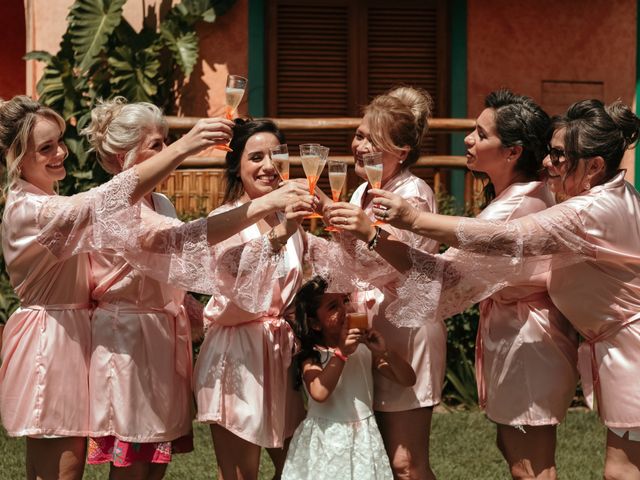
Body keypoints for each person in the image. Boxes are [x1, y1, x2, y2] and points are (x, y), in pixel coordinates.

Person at [0, 95, 311, 480]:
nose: (61, 152)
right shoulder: (37, 210)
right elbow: (178, 240)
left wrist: (193, 312)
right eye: (45, 147)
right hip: (74, 344)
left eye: (59, 142)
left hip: (122, 340)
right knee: (76, 469)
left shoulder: (123, 201)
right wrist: (262, 202)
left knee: (146, 468)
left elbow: (158, 270)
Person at [333, 99, 640, 479]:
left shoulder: (578, 209)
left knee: (561, 469)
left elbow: (488, 249)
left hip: (550, 343)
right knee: (522, 456)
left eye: (559, 156)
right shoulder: (598, 194)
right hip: (560, 341)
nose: (548, 164)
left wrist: (396, 225)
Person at [316, 86, 441, 479]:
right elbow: (351, 260)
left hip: (406, 327)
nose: (360, 145)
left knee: (407, 462)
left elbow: (401, 265)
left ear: (401, 150)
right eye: (358, 135)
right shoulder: (360, 192)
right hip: (370, 327)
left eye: (372, 139)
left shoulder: (412, 194)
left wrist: (357, 232)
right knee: (379, 458)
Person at [192, 119, 313, 480]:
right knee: (241, 475)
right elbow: (237, 280)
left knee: (297, 468)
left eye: (276, 155)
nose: (268, 165)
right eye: (256, 157)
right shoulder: (224, 219)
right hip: (236, 353)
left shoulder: (290, 221)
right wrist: (280, 234)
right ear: (237, 166)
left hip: (280, 354)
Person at [281, 276, 416, 480]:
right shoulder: (312, 355)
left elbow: (408, 379)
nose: (344, 309)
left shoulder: (363, 350)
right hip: (327, 439)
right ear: (315, 323)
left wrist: (385, 352)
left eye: (345, 300)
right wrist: (341, 354)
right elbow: (319, 392)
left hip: (363, 438)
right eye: (333, 306)